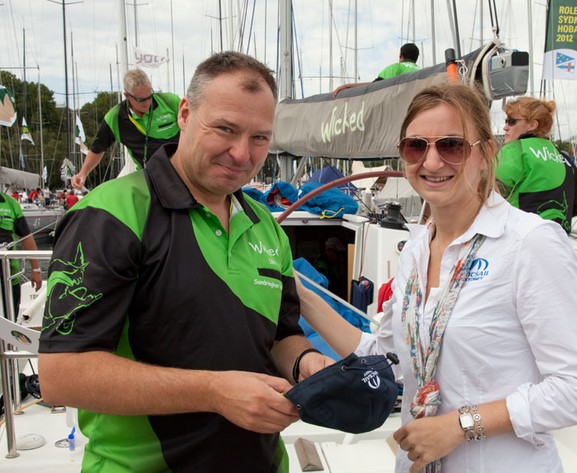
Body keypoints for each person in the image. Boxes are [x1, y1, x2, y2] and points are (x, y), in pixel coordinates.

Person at [38, 51, 333, 472]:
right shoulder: (112, 214)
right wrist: (214, 392)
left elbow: (280, 336)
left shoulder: (264, 223)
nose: (241, 153)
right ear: (185, 113)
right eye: (225, 129)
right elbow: (61, 374)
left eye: (259, 138)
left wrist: (306, 363)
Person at [296, 83, 577, 473]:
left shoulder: (529, 243)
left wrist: (462, 425)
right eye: (416, 146)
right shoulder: (414, 251)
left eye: (451, 146)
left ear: (486, 153)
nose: (431, 162)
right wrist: (300, 294)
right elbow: (387, 358)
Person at [71, 69, 181, 190]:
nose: (147, 102)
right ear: (127, 96)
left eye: (150, 96)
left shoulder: (170, 101)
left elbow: (195, 128)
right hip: (151, 178)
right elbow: (97, 148)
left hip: (182, 171)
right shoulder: (115, 117)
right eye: (141, 100)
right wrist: (83, 173)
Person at [495, 96, 577, 233]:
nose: (505, 127)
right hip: (557, 242)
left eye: (511, 121)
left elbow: (484, 195)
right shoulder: (564, 158)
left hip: (520, 242)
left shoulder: (515, 151)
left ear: (533, 125)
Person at [0, 192, 43, 317]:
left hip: (9, 276)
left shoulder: (11, 203)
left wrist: (36, 269)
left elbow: (26, 237)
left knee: (9, 317)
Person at [332, 43, 421, 97]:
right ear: (416, 58)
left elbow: (373, 87)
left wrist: (347, 86)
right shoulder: (422, 72)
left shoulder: (396, 67)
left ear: (400, 56)